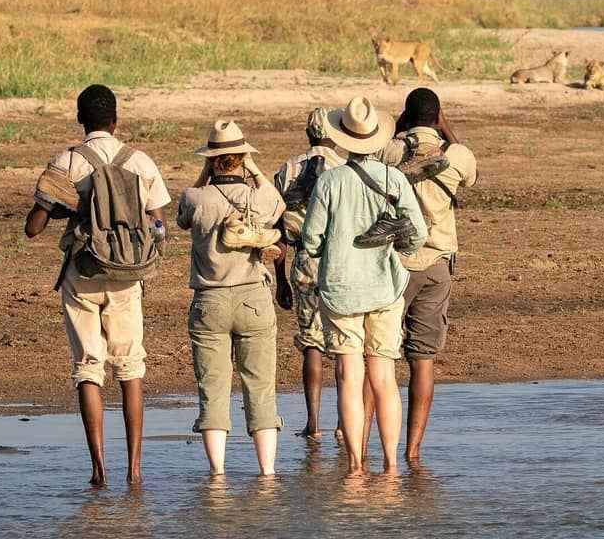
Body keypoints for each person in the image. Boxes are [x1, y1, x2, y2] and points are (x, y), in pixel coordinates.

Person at [24, 84, 170, 486]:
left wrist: (62, 207)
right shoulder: (139, 161)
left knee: (88, 367)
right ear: (115, 120)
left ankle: (99, 470)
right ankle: (135, 471)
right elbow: (159, 225)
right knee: (131, 367)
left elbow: (33, 228)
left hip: (83, 272)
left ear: (80, 119)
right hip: (127, 275)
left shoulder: (68, 161)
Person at [300, 96, 427, 474]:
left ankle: (355, 466)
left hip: (340, 290)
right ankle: (391, 465)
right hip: (384, 287)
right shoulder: (394, 179)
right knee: (384, 378)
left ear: (344, 138)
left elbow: (311, 240)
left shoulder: (329, 181)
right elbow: (418, 235)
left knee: (349, 378)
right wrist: (396, 246)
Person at [177, 120, 286, 476]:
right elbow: (278, 201)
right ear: (241, 158)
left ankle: (218, 475)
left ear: (211, 160)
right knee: (261, 388)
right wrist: (253, 168)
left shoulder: (195, 197)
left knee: (212, 390)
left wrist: (204, 173)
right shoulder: (257, 197)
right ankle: (267, 473)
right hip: (253, 297)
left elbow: (184, 217)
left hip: (209, 300)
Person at [381, 87, 477, 460]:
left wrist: (399, 130)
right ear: (437, 117)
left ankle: (370, 448)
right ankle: (412, 451)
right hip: (437, 263)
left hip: (395, 265)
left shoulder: (390, 152)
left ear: (406, 116)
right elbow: (471, 173)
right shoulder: (457, 156)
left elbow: (376, 155)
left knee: (380, 358)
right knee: (422, 359)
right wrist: (446, 128)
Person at [272, 108, 345, 441]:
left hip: (304, 259)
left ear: (308, 134)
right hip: (340, 260)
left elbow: (277, 230)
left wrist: (280, 279)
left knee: (311, 342)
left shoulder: (287, 169)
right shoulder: (345, 168)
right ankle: (344, 423)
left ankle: (313, 423)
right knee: (344, 342)